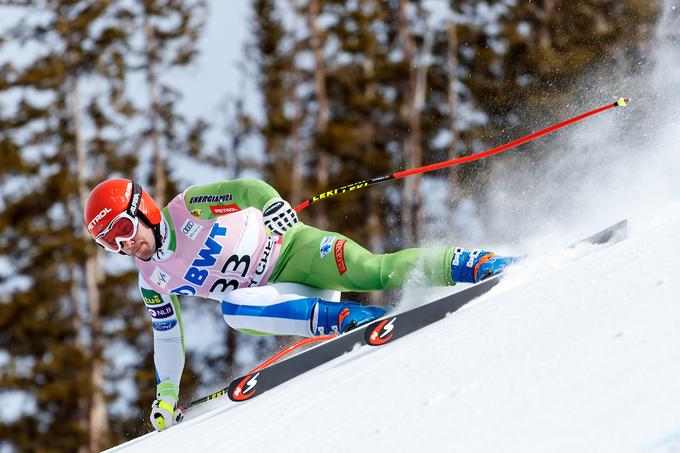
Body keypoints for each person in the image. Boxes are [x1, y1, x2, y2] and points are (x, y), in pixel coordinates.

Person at [84, 178, 516, 431]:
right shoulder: (153, 281)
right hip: (281, 297)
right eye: (109, 242)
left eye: (123, 227)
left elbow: (248, 190)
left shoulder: (189, 208)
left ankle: (476, 263)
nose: (124, 243)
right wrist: (166, 395)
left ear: (146, 210)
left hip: (295, 250)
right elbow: (167, 337)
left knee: (372, 271)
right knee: (234, 309)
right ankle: (353, 320)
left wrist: (272, 207)